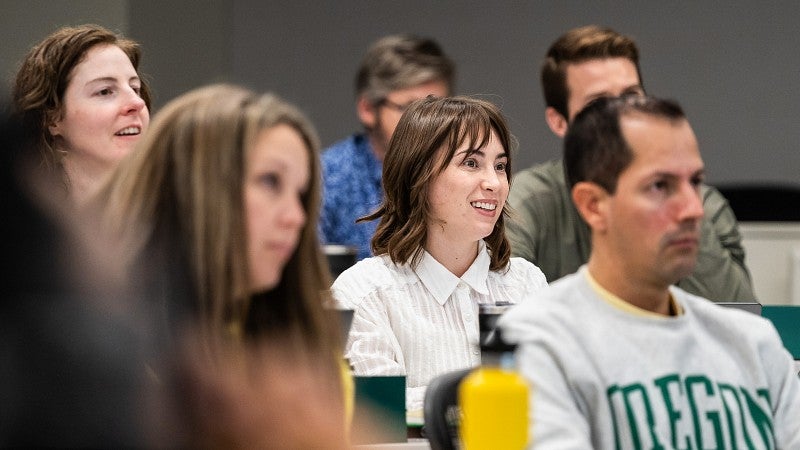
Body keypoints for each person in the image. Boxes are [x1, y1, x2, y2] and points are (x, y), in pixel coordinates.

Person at [499, 95, 800, 449]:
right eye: (660, 186)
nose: (693, 209)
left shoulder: (753, 343)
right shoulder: (530, 345)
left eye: (696, 181)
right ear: (594, 205)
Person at [93, 84, 350, 448]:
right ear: (194, 188)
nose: (296, 216)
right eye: (270, 182)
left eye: (301, 193)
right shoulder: (93, 357)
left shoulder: (301, 352)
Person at [506, 25, 755, 301]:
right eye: (598, 104)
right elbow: (498, 318)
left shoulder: (702, 204)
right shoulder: (527, 201)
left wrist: (682, 202)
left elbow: (738, 317)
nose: (622, 117)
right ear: (559, 121)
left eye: (631, 98)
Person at [331, 96, 547, 412]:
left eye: (500, 166)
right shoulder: (362, 293)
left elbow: (554, 402)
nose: (494, 183)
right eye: (471, 163)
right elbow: (378, 417)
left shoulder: (527, 283)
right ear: (418, 175)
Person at [320, 34, 455, 261]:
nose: (427, 124)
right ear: (368, 109)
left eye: (437, 109)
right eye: (409, 108)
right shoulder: (327, 178)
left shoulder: (462, 175)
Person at [12, 24, 151, 206]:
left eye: (135, 89)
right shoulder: (16, 227)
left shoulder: (178, 218)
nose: (137, 103)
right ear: (52, 118)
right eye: (105, 91)